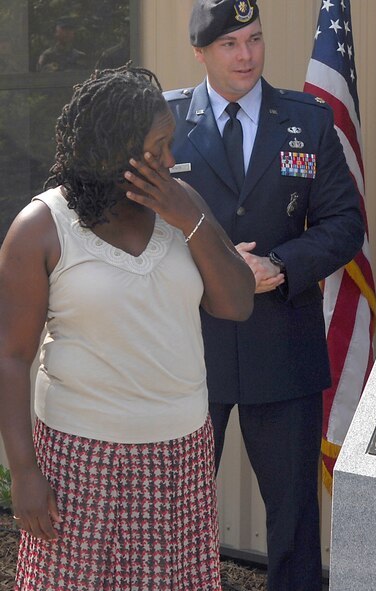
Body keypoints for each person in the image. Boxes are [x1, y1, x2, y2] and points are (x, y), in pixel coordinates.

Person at [0, 64, 255, 590]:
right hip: (80, 459)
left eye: (171, 145)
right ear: (113, 153)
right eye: (158, 147)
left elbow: (236, 304)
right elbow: (11, 356)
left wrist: (192, 219)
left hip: (178, 456)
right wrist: (23, 472)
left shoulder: (181, 207)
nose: (170, 160)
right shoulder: (42, 228)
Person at [165, 1, 364, 589]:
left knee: (295, 518)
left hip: (283, 346)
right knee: (175, 513)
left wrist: (276, 264)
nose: (246, 55)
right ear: (200, 52)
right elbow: (141, 235)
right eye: (229, 45)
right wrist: (225, 272)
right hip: (188, 351)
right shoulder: (168, 123)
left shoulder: (309, 118)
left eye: (254, 39)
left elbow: (344, 224)